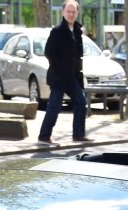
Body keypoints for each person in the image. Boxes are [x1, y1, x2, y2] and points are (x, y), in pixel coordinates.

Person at [37, 0, 90, 144]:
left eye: (73, 12)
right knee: (54, 106)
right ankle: (44, 136)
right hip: (59, 76)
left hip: (72, 77)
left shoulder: (78, 31)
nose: (71, 14)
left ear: (77, 13)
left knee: (81, 102)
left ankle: (78, 134)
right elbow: (49, 52)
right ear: (63, 12)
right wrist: (58, 67)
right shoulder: (57, 31)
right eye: (68, 11)